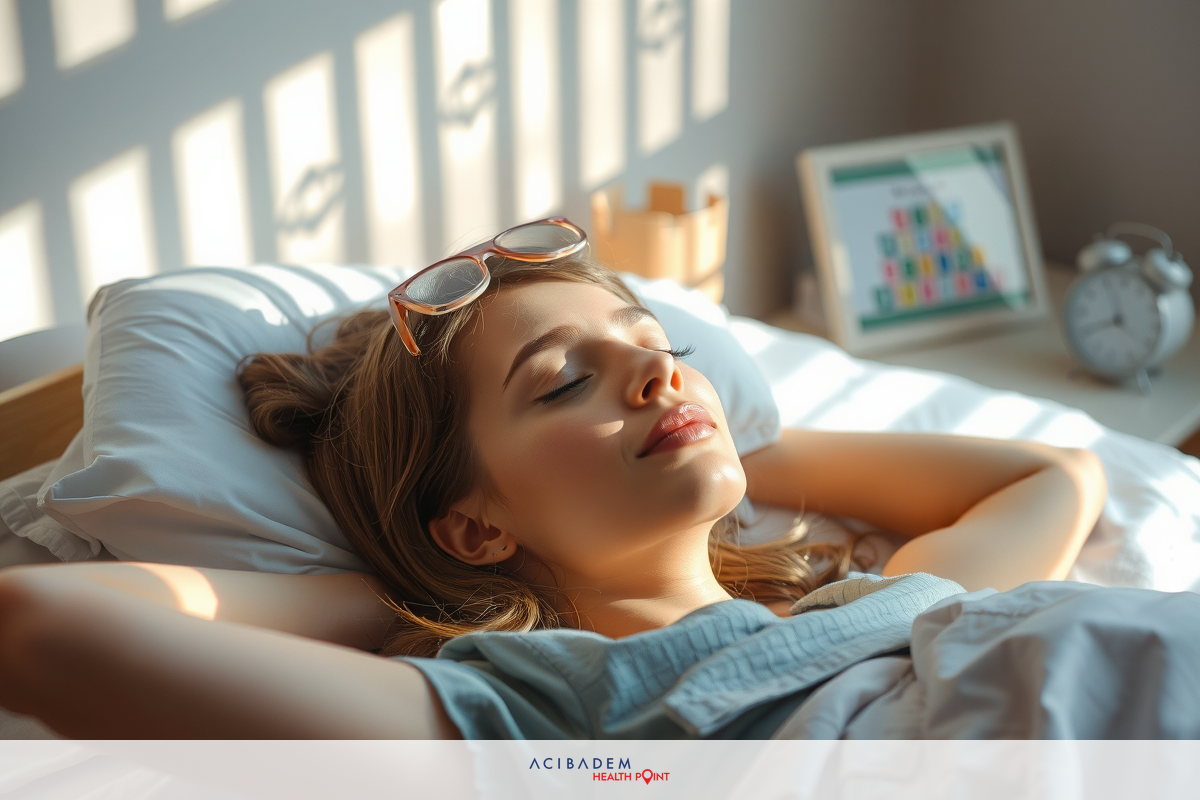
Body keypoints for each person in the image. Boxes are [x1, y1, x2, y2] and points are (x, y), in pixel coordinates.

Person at [0, 219, 1193, 740]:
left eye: (658, 348)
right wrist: (395, 596)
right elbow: (41, 622)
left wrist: (739, 448)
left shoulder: (870, 600)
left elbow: (1053, 475)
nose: (656, 373)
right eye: (566, 380)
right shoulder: (558, 710)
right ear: (473, 521)